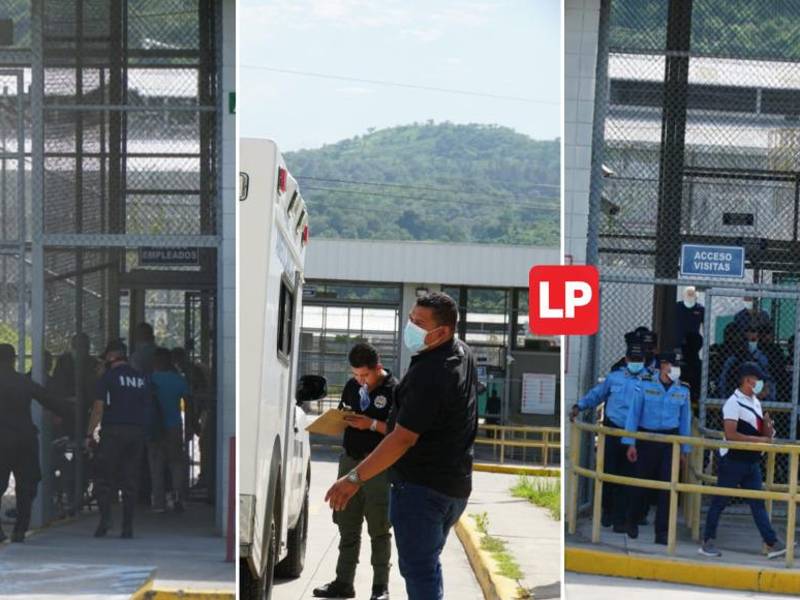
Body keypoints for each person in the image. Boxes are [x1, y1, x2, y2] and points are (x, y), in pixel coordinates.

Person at [324, 292, 477, 600]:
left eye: (419, 323)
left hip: (422, 489)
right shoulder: (461, 352)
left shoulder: (432, 373)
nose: (411, 327)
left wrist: (354, 478)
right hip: (453, 484)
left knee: (419, 570)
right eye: (410, 318)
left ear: (442, 331)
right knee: (426, 565)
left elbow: (403, 437)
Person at [313, 343, 397, 600]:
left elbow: (399, 433)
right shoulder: (352, 388)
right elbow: (344, 413)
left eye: (365, 375)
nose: (360, 380)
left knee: (379, 527)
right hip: (350, 460)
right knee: (347, 524)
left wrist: (370, 424)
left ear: (378, 367)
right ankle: (343, 582)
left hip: (378, 466)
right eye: (356, 375)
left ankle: (380, 587)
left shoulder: (395, 390)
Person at [698, 362, 787, 559]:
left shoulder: (755, 401)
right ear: (748, 380)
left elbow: (758, 430)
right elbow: (731, 434)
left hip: (750, 460)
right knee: (720, 501)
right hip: (733, 459)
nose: (760, 383)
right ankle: (707, 541)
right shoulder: (733, 402)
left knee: (757, 503)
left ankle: (771, 542)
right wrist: (762, 440)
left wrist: (767, 428)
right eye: (757, 379)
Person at [570, 342, 648, 532]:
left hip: (636, 435)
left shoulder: (650, 381)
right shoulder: (614, 378)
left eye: (639, 360)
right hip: (612, 432)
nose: (636, 363)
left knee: (630, 478)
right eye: (633, 359)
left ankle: (623, 519)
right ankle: (607, 512)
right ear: (626, 359)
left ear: (644, 361)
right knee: (609, 474)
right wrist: (578, 406)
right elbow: (596, 395)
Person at [0, 344, 68, 542]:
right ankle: (20, 528)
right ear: (13, 359)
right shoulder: (23, 381)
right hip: (24, 439)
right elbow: (48, 399)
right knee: (27, 484)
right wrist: (69, 413)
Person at [622, 353, 691, 544]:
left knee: (668, 488)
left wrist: (684, 450)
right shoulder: (644, 384)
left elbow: (685, 421)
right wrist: (630, 442)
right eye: (672, 365)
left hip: (671, 441)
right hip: (646, 438)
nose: (675, 369)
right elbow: (634, 414)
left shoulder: (683, 389)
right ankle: (632, 520)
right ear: (663, 365)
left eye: (678, 365)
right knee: (640, 484)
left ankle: (662, 532)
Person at [86, 339, 152, 538]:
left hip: (113, 432)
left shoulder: (108, 377)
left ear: (111, 357)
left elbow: (98, 408)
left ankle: (105, 520)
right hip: (136, 433)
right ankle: (127, 526)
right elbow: (147, 406)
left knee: (103, 478)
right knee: (130, 479)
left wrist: (89, 433)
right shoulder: (141, 378)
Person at [148, 347, 191, 513]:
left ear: (156, 362)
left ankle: (158, 503)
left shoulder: (149, 380)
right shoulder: (179, 380)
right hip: (174, 426)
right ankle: (178, 497)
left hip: (153, 428)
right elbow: (189, 404)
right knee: (176, 463)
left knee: (156, 465)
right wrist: (189, 425)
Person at [718, 325, 775, 402]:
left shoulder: (762, 359)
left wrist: (769, 400)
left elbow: (768, 381)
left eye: (753, 340)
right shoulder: (733, 360)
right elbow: (723, 381)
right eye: (747, 340)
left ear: (758, 340)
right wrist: (724, 398)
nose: (749, 344)